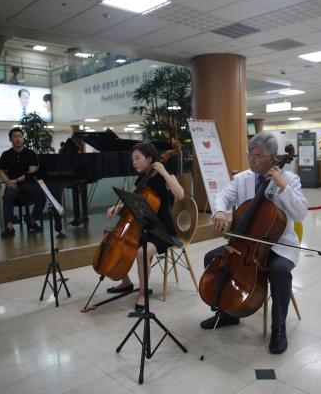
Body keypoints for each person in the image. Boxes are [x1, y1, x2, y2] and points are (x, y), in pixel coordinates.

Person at [199, 131, 308, 355]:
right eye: (250, 153)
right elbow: (222, 196)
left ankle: (279, 328)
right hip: (246, 244)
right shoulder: (243, 178)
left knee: (278, 271)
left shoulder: (290, 179)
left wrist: (283, 186)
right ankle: (227, 313)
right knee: (212, 258)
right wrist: (219, 211)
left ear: (272, 157)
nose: (252, 159)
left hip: (279, 244)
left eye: (257, 155)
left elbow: (301, 213)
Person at [105, 142, 185, 312]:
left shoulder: (165, 176)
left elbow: (180, 194)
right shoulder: (141, 178)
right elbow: (131, 199)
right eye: (132, 159)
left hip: (163, 231)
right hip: (144, 226)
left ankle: (143, 292)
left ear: (149, 159)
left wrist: (164, 171)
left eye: (137, 158)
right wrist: (116, 207)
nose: (134, 162)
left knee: (142, 252)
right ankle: (126, 282)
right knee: (116, 240)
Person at [0, 128, 46, 237]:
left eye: (20, 136)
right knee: (7, 197)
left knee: (41, 195)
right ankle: (9, 227)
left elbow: (32, 170)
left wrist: (17, 179)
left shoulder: (31, 153)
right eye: (15, 136)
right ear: (10, 139)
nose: (18, 139)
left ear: (23, 138)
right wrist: (7, 181)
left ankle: (32, 221)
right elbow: (0, 170)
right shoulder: (6, 154)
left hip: (28, 182)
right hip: (13, 184)